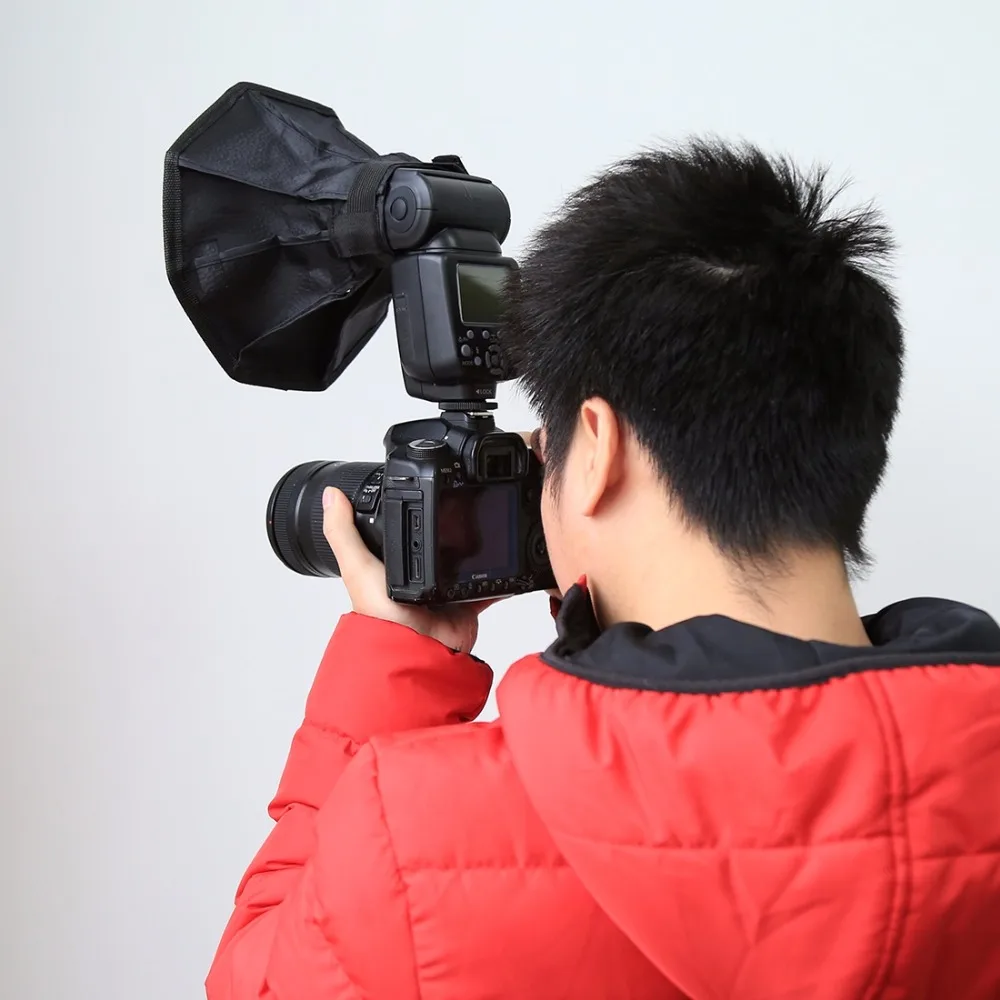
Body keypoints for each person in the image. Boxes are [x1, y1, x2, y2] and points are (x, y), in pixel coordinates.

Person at [205, 141, 1000, 999]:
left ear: (597, 448)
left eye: (545, 451)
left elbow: (256, 981)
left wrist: (391, 674)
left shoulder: (412, 833)